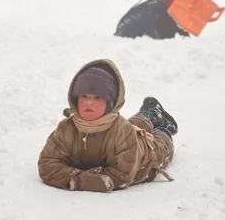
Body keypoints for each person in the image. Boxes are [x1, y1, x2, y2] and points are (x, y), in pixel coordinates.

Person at [37, 59, 179, 192]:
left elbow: (121, 175)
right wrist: (80, 177)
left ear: (110, 103)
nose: (89, 102)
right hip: (122, 135)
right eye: (83, 96)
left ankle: (163, 128)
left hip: (144, 157)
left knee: (156, 144)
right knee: (129, 127)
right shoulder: (66, 129)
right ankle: (149, 113)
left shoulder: (123, 131)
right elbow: (47, 165)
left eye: (97, 97)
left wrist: (81, 180)